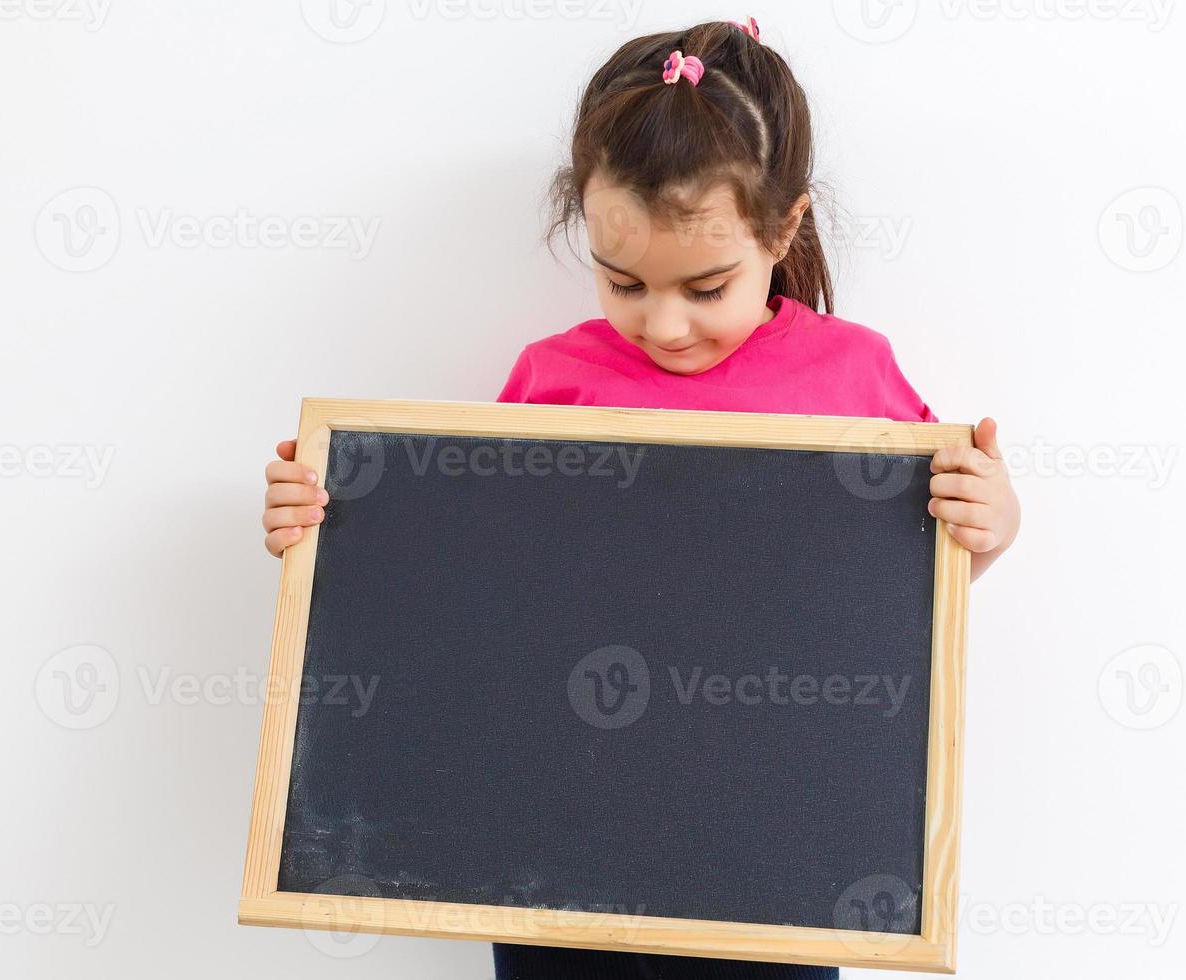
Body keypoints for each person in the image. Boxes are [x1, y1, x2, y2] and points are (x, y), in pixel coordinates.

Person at [260, 18, 1020, 979]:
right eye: (624, 283)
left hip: (773, 859)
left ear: (783, 228)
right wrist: (331, 533)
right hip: (561, 845)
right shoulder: (553, 380)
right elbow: (462, 589)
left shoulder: (852, 379)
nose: (665, 325)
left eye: (707, 288)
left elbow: (903, 583)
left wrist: (988, 526)